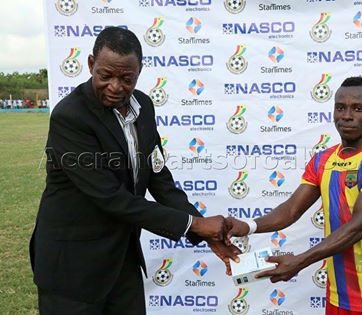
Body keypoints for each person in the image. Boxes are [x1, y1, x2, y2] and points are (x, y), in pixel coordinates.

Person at [30, 27, 238, 315]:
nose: (115, 87)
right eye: (105, 76)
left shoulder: (144, 106)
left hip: (122, 260)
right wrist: (195, 225)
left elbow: (159, 178)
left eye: (127, 79)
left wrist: (203, 230)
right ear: (91, 65)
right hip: (73, 266)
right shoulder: (71, 117)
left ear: (139, 72)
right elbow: (112, 198)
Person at [226, 77, 362, 315]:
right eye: (340, 107)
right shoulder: (323, 160)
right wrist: (248, 226)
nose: (346, 115)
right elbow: (291, 210)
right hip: (338, 296)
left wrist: (300, 261)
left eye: (358, 108)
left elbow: (358, 227)